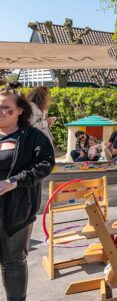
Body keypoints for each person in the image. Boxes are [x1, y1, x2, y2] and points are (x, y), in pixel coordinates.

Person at [0, 82, 55, 300]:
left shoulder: (32, 136)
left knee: (13, 262)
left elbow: (45, 164)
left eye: (6, 107)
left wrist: (15, 181)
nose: (1, 112)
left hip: (18, 210)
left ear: (20, 110)